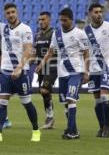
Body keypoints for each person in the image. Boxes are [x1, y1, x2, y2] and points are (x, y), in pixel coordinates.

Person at [0, 0, 41, 142]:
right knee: (1, 103)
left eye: (13, 12)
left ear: (17, 12)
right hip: (5, 73)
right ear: (5, 15)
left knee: (26, 103)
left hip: (21, 73)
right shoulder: (2, 28)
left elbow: (28, 49)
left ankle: (36, 130)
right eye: (8, 13)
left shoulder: (25, 29)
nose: (11, 15)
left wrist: (20, 67)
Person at [36, 8, 90, 140]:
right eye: (61, 20)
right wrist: (42, 64)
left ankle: (71, 131)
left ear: (71, 20)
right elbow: (50, 52)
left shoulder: (80, 34)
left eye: (65, 20)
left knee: (71, 99)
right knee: (66, 102)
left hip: (75, 71)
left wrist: (86, 72)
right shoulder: (57, 34)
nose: (62, 22)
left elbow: (86, 53)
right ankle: (73, 130)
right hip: (62, 73)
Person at [84, 4, 109, 138]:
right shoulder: (86, 31)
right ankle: (101, 127)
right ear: (90, 14)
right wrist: (85, 71)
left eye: (100, 12)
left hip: (107, 66)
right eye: (96, 12)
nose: (99, 14)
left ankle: (107, 127)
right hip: (93, 69)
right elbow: (86, 53)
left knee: (105, 96)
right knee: (97, 101)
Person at [33, 11, 57, 129]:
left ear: (49, 20)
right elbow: (34, 52)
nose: (41, 22)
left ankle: (50, 117)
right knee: (44, 93)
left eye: (43, 19)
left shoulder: (54, 34)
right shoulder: (37, 35)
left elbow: (53, 52)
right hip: (41, 68)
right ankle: (50, 117)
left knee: (44, 90)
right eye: (39, 20)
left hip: (52, 67)